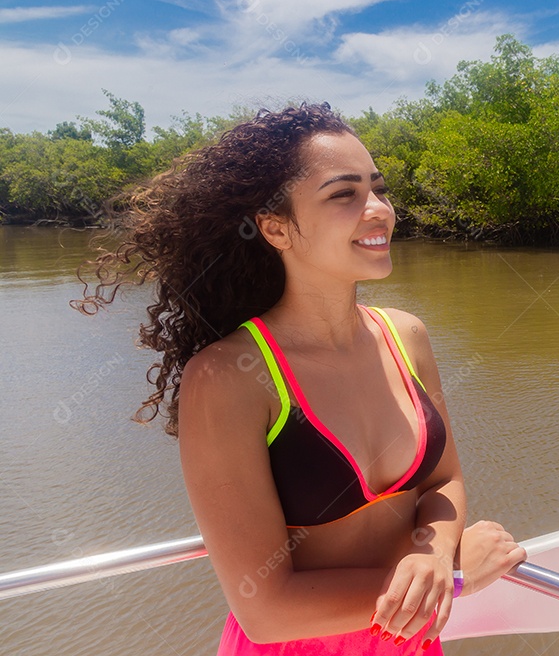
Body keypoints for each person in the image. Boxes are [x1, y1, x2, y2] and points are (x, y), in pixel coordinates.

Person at [72, 103, 526, 655]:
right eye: (344, 194)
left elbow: (442, 481)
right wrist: (455, 579)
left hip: (411, 638)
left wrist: (432, 557)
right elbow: (265, 609)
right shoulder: (228, 377)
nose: (379, 209)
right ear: (276, 227)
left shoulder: (405, 336)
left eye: (378, 189)